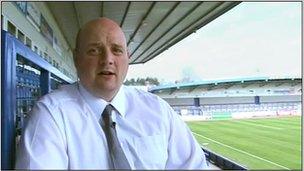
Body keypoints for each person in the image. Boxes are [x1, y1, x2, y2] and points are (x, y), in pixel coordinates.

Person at [15, 17, 208, 169]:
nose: (107, 59)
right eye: (94, 51)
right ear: (76, 58)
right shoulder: (51, 115)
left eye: (116, 50)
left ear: (127, 58)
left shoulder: (158, 111)